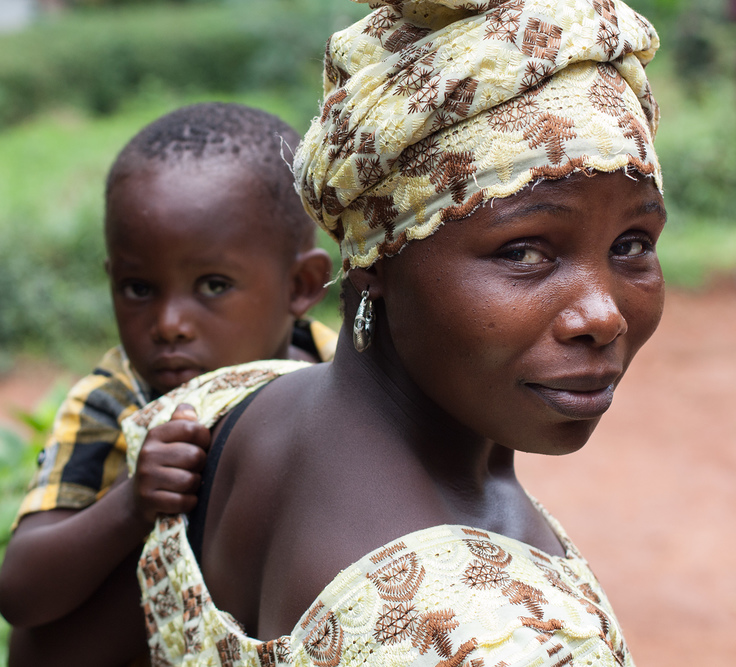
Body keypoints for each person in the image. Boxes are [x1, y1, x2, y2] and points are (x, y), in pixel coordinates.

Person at [124, 1, 666, 665]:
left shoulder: (224, 411)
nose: (603, 314)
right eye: (525, 251)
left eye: (633, 242)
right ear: (378, 255)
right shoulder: (473, 636)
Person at [0, 102, 336, 665]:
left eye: (212, 285)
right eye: (138, 289)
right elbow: (21, 594)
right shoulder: (117, 402)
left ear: (301, 285)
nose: (168, 323)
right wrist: (131, 505)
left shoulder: (336, 376)